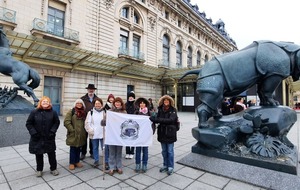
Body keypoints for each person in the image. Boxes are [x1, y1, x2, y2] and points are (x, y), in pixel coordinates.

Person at [26, 96, 60, 177]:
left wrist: (52, 131)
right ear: (40, 103)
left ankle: (53, 168)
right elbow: (29, 123)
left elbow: (56, 122)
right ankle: (39, 169)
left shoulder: (53, 112)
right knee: (39, 154)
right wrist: (33, 133)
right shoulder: (34, 112)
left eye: (47, 101)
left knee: (51, 153)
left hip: (49, 137)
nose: (45, 103)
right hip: (37, 137)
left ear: (49, 103)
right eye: (43, 101)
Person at [150, 95, 179, 175]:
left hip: (170, 133)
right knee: (164, 151)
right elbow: (156, 118)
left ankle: (170, 166)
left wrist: (158, 120)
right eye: (164, 101)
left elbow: (171, 120)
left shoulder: (173, 110)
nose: (166, 102)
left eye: (167, 101)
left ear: (170, 102)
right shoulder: (159, 109)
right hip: (162, 133)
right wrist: (152, 118)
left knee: (170, 151)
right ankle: (165, 165)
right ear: (162, 102)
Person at [106, 97, 127, 176]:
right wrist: (104, 121)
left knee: (119, 152)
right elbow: (105, 120)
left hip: (120, 135)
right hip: (111, 135)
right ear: (114, 103)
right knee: (111, 152)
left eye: (119, 102)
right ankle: (112, 167)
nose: (117, 103)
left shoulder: (124, 112)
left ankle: (119, 166)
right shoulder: (110, 111)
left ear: (121, 104)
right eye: (116, 102)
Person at [64, 99, 87, 170]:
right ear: (75, 104)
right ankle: (71, 162)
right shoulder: (71, 111)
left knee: (79, 148)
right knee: (73, 148)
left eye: (80, 103)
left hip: (81, 133)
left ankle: (77, 161)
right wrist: (72, 130)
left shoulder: (84, 112)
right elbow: (66, 122)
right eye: (77, 103)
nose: (79, 105)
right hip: (73, 133)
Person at [85, 98, 105, 168]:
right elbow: (87, 123)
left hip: (103, 133)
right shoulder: (91, 112)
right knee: (95, 148)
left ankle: (106, 161)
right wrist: (91, 131)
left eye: (99, 103)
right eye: (96, 104)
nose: (97, 105)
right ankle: (96, 160)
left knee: (104, 148)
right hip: (94, 134)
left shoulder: (104, 112)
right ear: (94, 104)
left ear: (101, 104)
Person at [80, 84, 99, 160]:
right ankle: (83, 153)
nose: (91, 90)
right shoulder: (83, 99)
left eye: (92, 89)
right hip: (85, 120)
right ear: (87, 90)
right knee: (84, 138)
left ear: (94, 90)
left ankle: (92, 152)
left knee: (92, 138)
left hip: (94, 121)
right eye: (89, 89)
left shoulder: (97, 99)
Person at [134, 97, 151, 173]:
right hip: (138, 135)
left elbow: (153, 123)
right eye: (141, 103)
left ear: (146, 104)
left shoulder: (149, 113)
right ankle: (137, 164)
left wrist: (151, 132)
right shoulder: (136, 112)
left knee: (145, 151)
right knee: (137, 151)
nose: (142, 104)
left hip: (146, 135)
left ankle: (144, 164)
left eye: (143, 103)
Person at [103, 93, 115, 170]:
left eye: (112, 98)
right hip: (107, 127)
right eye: (110, 98)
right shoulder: (105, 106)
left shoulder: (115, 106)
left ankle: (112, 160)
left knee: (112, 146)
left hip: (114, 128)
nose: (111, 99)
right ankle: (106, 161)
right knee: (106, 146)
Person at [125, 91, 136, 159]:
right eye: (130, 97)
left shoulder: (135, 105)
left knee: (133, 137)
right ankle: (127, 152)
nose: (131, 98)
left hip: (133, 124)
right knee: (126, 137)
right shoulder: (126, 104)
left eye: (132, 97)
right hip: (127, 123)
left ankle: (132, 152)